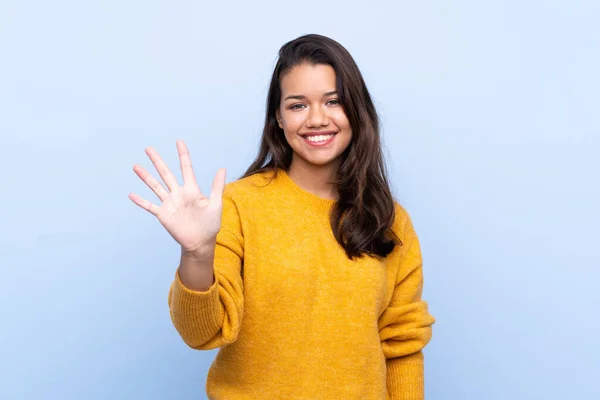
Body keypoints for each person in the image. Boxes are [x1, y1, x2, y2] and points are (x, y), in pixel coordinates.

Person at [129, 33, 435, 400]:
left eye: (333, 101)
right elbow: (202, 333)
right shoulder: (239, 205)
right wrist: (196, 254)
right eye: (297, 105)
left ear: (356, 109)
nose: (317, 119)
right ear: (278, 116)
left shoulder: (390, 219)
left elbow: (402, 345)